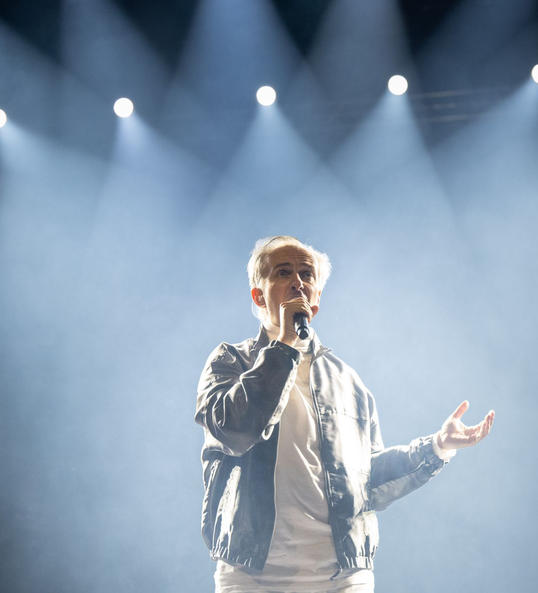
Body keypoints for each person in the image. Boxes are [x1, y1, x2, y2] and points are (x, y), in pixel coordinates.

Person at [195, 236, 495, 593]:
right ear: (259, 295)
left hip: (341, 578)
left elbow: (367, 482)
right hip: (252, 577)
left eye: (307, 275)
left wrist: (437, 448)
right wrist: (285, 345)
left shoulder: (347, 381)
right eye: (283, 272)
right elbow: (234, 429)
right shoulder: (230, 361)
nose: (298, 283)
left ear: (317, 298)